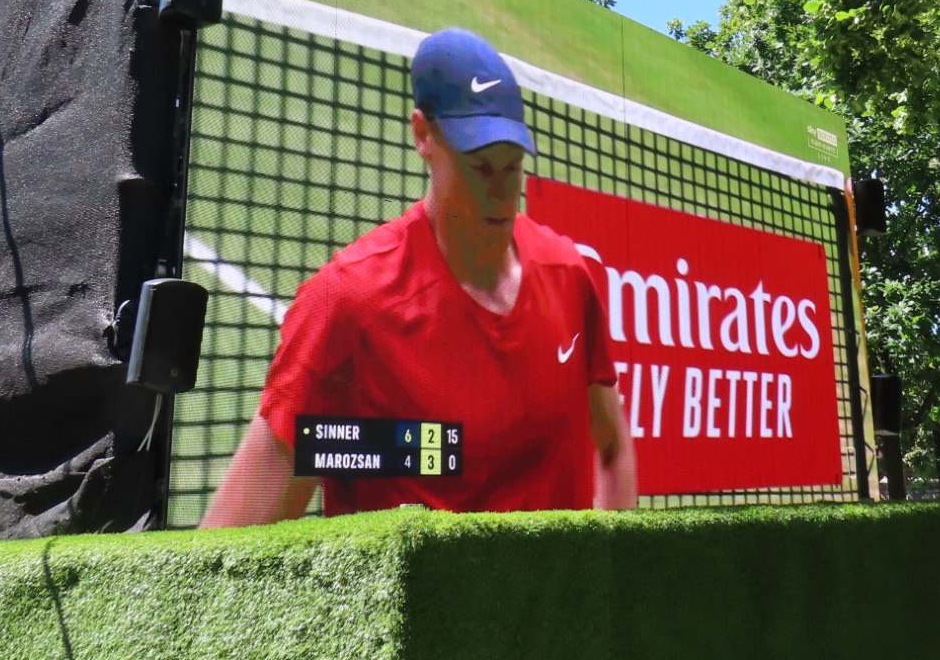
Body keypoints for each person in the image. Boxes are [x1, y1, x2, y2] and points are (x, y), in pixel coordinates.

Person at [200, 28, 636, 525]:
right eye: (479, 168)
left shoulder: (569, 274)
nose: (499, 194)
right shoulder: (349, 302)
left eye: (511, 168)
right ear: (423, 135)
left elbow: (611, 445)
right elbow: (238, 534)